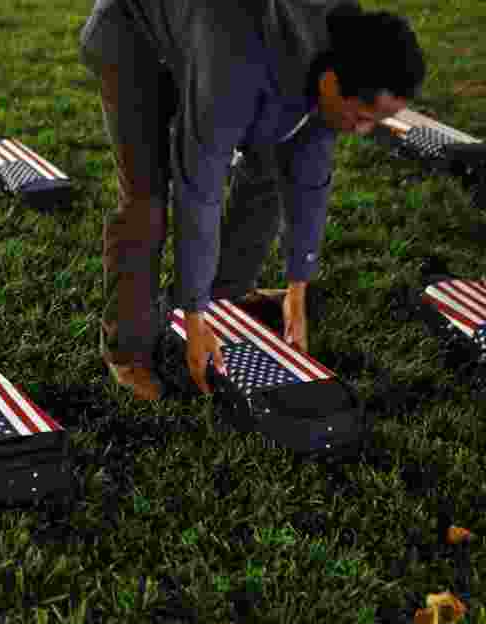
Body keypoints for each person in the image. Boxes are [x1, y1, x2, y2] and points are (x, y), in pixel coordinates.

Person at [79, 0, 426, 400]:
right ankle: (128, 348)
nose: (363, 131)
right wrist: (195, 316)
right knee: (148, 198)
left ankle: (229, 290)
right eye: (363, 116)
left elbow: (309, 174)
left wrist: (298, 287)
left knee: (267, 168)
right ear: (331, 80)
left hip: (224, 44)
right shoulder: (236, 70)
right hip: (134, 40)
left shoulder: (344, 43)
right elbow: (200, 190)